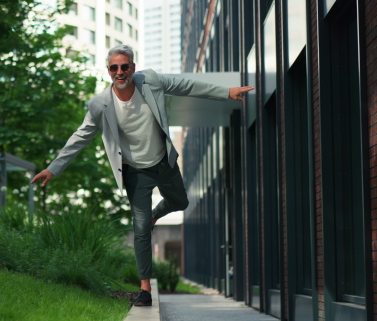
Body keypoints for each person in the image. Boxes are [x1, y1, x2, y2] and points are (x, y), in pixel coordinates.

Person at [31, 45, 254, 306]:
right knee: (139, 229)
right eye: (114, 67)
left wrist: (226, 92)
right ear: (108, 71)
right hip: (135, 172)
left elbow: (185, 85)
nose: (120, 72)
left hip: (163, 162)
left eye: (124, 66)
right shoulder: (100, 104)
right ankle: (145, 289)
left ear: (133, 68)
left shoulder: (151, 81)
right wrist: (54, 167)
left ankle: (155, 215)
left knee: (180, 202)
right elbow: (81, 136)